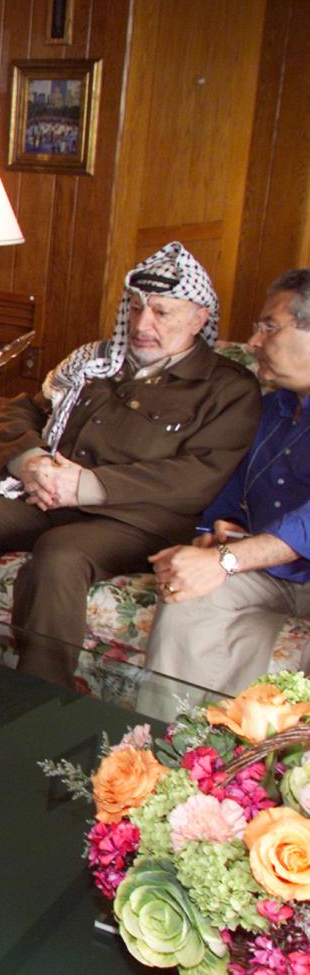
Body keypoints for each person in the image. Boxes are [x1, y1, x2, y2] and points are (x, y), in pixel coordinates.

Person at [0, 242, 261, 679]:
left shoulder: (227, 388)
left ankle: (33, 710)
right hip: (45, 497)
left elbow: (197, 478)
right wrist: (30, 461)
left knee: (61, 554)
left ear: (199, 318)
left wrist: (86, 487)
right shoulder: (95, 361)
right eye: (134, 308)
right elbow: (23, 410)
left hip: (134, 521)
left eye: (161, 312)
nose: (141, 324)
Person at [145, 269, 310, 695]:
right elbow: (230, 483)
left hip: (273, 560)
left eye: (270, 326)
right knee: (187, 592)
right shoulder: (272, 408)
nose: (254, 342)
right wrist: (212, 535)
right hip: (272, 568)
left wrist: (227, 561)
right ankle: (167, 752)